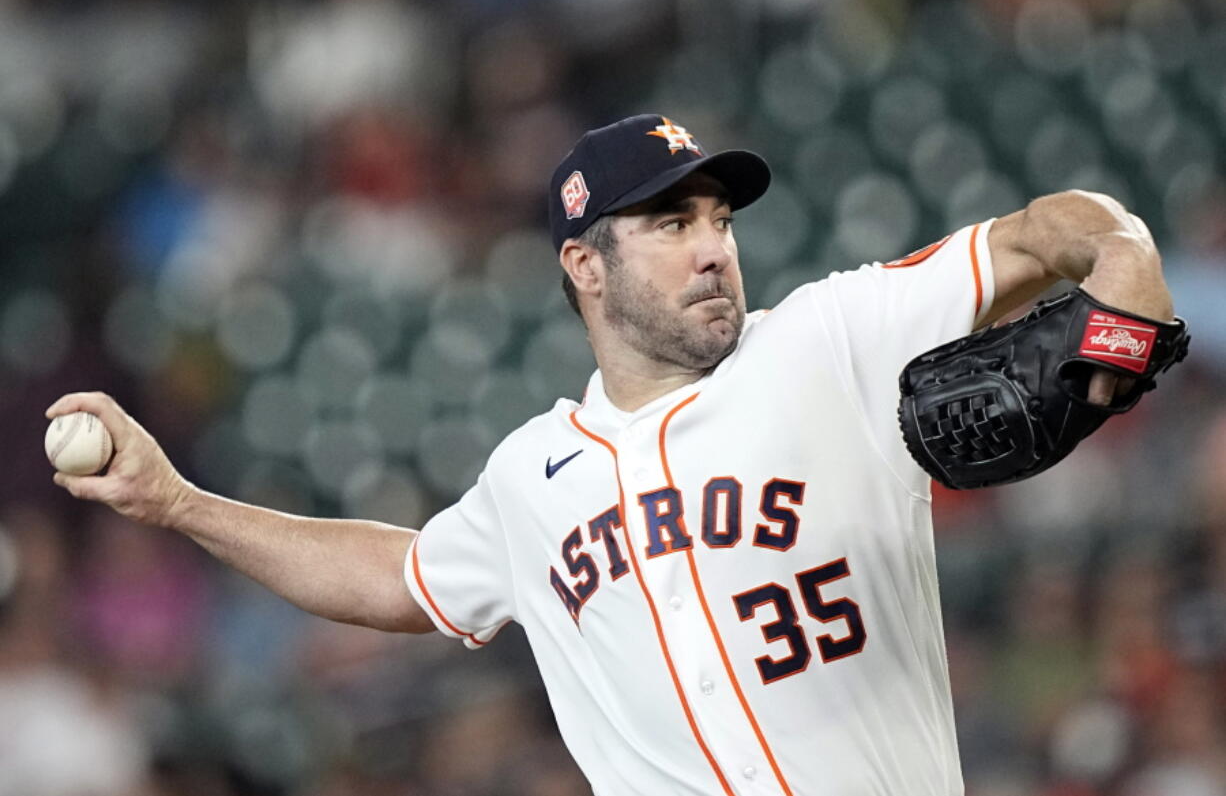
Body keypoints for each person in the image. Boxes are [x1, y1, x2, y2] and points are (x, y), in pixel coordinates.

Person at [49, 114, 1175, 796]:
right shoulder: (532, 475)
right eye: (672, 224)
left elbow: (1064, 229)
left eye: (719, 221)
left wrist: (1119, 312)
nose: (711, 250)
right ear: (584, 266)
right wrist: (179, 502)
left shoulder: (834, 335)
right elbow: (392, 580)